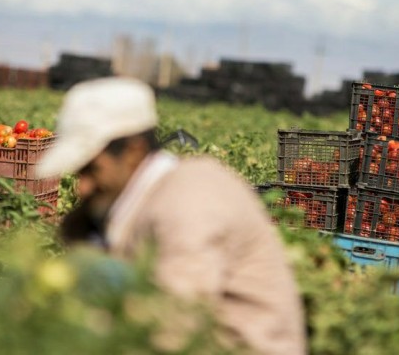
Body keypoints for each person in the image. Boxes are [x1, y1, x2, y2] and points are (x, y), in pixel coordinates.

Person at [37, 76, 306, 355]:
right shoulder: (146, 197)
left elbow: (174, 327)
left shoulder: (190, 198)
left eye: (92, 170)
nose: (82, 187)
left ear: (133, 152)